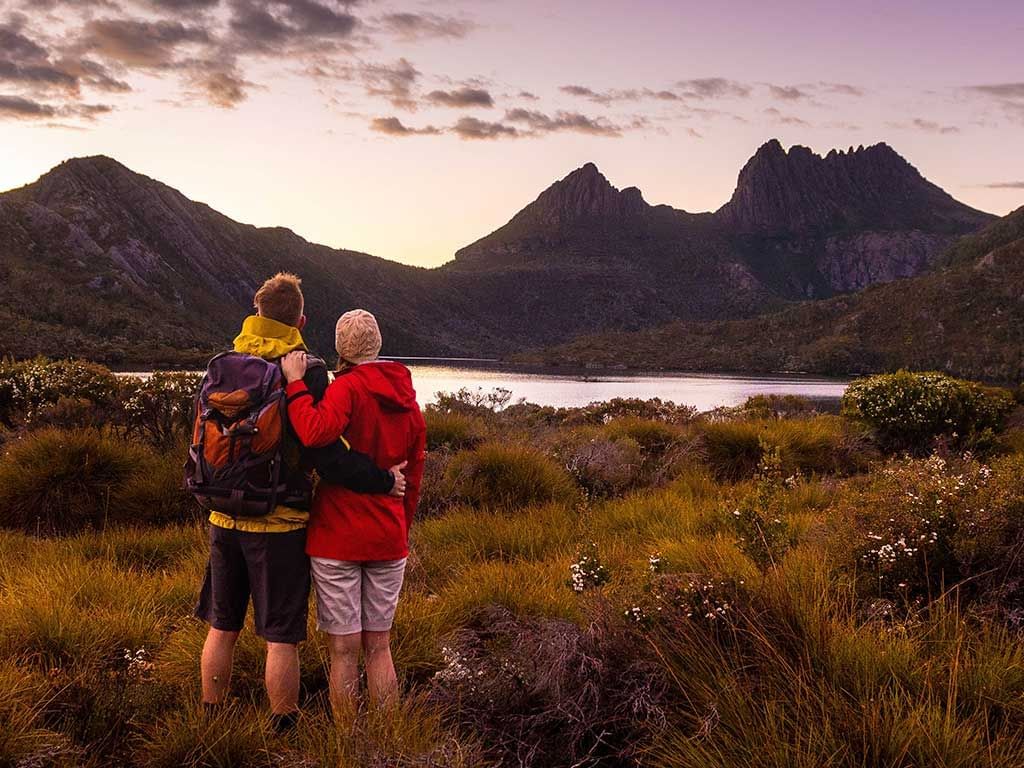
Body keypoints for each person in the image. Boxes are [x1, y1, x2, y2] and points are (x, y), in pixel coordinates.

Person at [194, 274, 406, 732]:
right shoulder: (307, 369)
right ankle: (283, 725)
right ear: (302, 320)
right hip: (280, 522)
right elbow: (325, 453)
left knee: (222, 625)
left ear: (256, 312)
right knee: (280, 637)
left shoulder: (225, 361)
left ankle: (210, 717)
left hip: (222, 514)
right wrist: (382, 480)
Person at [280, 309, 426, 713]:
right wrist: (400, 528)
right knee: (380, 646)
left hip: (337, 537)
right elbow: (412, 481)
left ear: (341, 349)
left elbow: (313, 432)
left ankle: (348, 744)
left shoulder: (345, 389)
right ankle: (386, 740)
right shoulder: (409, 401)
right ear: (377, 345)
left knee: (343, 651)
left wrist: (295, 386)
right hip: (387, 536)